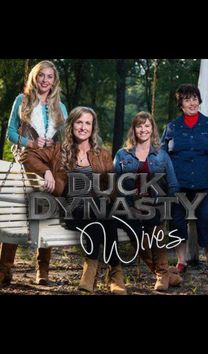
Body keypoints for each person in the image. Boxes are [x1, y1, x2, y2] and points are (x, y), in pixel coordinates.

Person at [21, 106, 127, 295]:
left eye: (88, 123)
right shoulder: (57, 150)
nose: (83, 127)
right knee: (101, 215)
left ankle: (94, 270)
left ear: (93, 127)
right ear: (71, 125)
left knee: (103, 215)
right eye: (79, 122)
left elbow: (111, 188)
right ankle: (113, 274)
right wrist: (47, 172)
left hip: (97, 211)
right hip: (71, 210)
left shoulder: (102, 154)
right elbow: (27, 155)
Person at [0, 60, 68, 286]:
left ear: (54, 80)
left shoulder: (60, 106)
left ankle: (43, 270)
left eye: (49, 76)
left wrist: (54, 145)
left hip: (50, 158)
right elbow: (11, 133)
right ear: (34, 78)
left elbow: (67, 138)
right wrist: (31, 142)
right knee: (16, 212)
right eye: (41, 76)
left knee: (45, 213)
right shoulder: (22, 100)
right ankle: (4, 269)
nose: (45, 80)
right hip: (27, 159)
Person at [161, 83, 208, 275]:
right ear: (180, 104)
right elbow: (163, 156)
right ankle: (181, 262)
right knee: (176, 221)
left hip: (205, 183)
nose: (192, 103)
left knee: (207, 218)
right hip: (177, 185)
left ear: (199, 101)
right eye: (186, 99)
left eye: (194, 99)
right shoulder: (172, 127)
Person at [113, 111, 183, 291]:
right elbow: (114, 184)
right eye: (139, 126)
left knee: (156, 230)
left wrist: (165, 205)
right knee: (139, 239)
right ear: (134, 129)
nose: (143, 129)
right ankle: (166, 274)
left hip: (155, 204)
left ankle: (161, 275)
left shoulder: (162, 155)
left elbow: (173, 184)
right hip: (129, 206)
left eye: (147, 126)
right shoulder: (122, 155)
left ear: (152, 129)